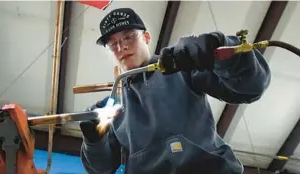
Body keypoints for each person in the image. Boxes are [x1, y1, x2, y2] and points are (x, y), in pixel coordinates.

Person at [79, 7, 271, 174]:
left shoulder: (180, 67)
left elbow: (250, 88)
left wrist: (221, 51)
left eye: (129, 36)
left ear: (146, 37)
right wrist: (93, 140)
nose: (122, 47)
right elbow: (101, 169)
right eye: (113, 44)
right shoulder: (113, 108)